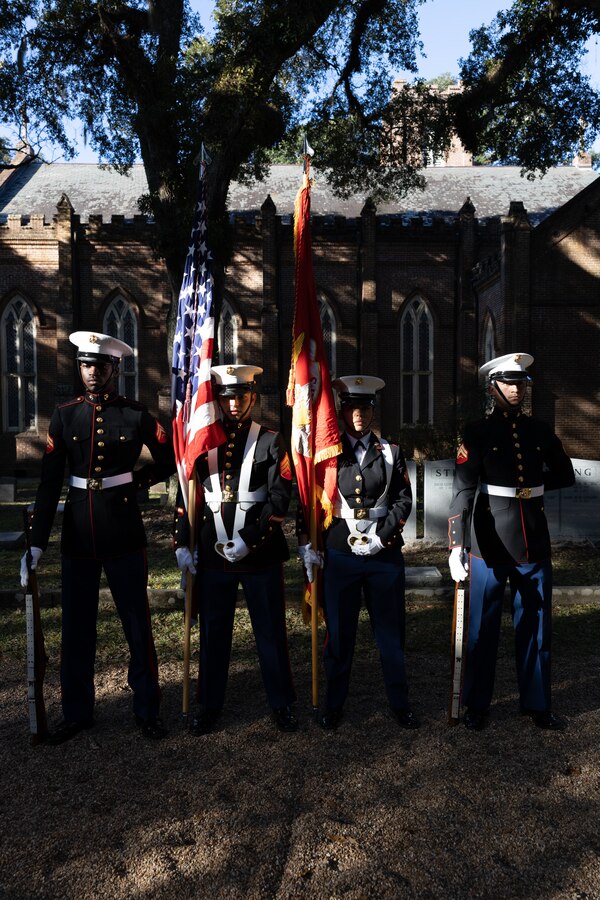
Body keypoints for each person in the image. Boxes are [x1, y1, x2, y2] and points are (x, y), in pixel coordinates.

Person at [19, 331, 176, 743]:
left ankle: (146, 709)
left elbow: (169, 459)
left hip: (124, 531)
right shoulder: (64, 416)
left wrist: (136, 483)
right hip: (78, 534)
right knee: (76, 627)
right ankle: (77, 712)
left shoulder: (135, 414)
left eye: (100, 366)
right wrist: (36, 543)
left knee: (136, 625)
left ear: (115, 369)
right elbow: (50, 483)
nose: (92, 373)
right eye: (86, 365)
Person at [448, 352, 575, 731]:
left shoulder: (540, 430)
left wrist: (530, 490)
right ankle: (477, 705)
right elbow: (462, 490)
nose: (516, 389)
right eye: (508, 383)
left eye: (521, 383)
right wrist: (456, 544)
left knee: (535, 625)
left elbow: (565, 474)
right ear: (492, 387)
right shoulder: (476, 432)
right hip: (489, 541)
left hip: (533, 540)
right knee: (482, 628)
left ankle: (537, 703)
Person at [174, 364, 298, 735]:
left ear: (252, 399)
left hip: (259, 553)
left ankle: (281, 703)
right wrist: (183, 541)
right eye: (226, 397)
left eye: (240, 397)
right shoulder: (202, 439)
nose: (232, 405)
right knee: (214, 634)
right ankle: (209, 705)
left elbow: (279, 499)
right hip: (213, 553)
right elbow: (186, 494)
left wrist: (251, 540)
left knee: (270, 632)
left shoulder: (272, 440)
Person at [298, 375, 418, 730]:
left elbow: (403, 499)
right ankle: (333, 705)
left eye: (365, 408)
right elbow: (308, 497)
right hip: (340, 555)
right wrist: (305, 542)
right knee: (340, 635)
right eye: (352, 408)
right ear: (342, 409)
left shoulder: (391, 452)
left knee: (390, 635)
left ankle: (400, 703)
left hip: (384, 556)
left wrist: (383, 537)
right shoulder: (328, 456)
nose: (359, 415)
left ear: (372, 411)